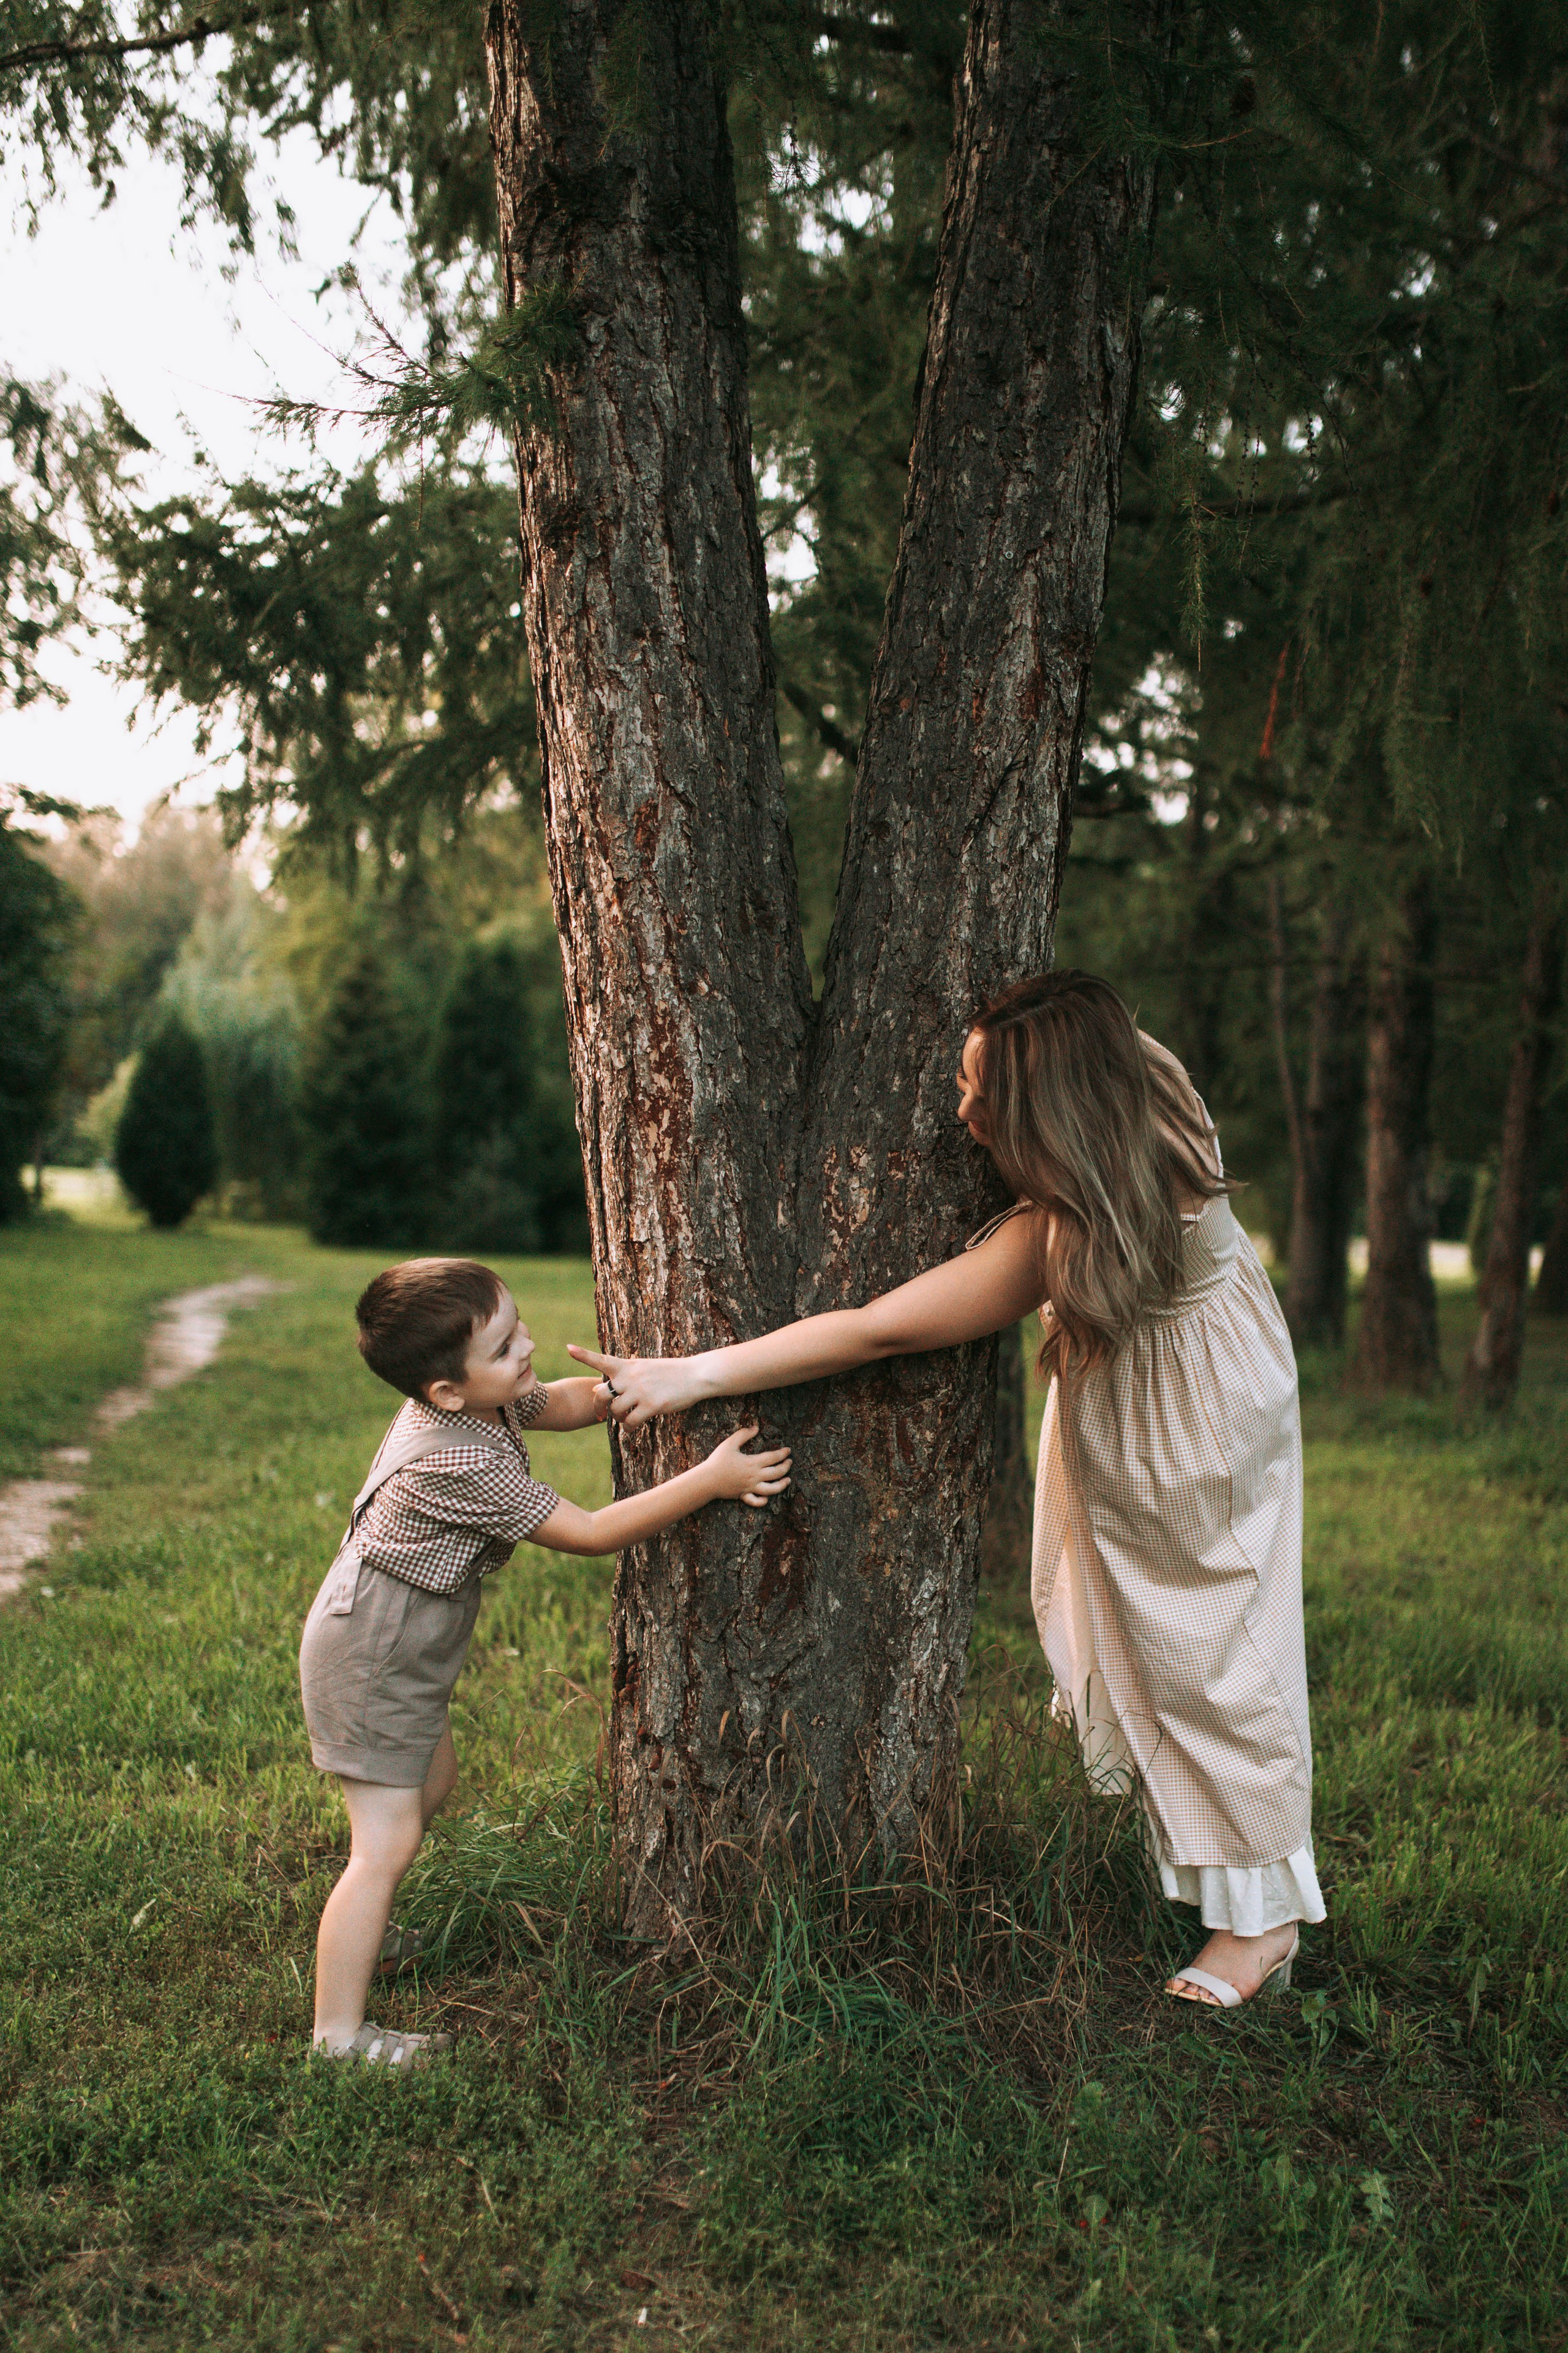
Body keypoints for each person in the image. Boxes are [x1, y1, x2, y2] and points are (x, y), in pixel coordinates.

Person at [570, 972, 1324, 2009]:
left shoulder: (1065, 1232)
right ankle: (1230, 1876)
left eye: (982, 1095)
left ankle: (1265, 1924)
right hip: (1210, 1373)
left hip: (1190, 1423)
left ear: (1052, 1113)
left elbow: (882, 1325)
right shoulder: (1139, 1090)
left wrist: (696, 1372)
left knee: (1214, 1653)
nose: (960, 1109)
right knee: (1179, 1647)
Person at [301, 1256, 790, 2066]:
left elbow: (554, 1403)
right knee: (380, 1843)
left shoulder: (479, 1399)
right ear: (444, 1393)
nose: (526, 1345)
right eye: (503, 1346)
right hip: (372, 1653)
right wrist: (709, 1479)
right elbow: (592, 1532)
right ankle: (338, 2035)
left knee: (428, 1786)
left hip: (394, 1643)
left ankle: (372, 1934)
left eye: (515, 1323)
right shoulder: (458, 1459)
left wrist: (624, 1388)